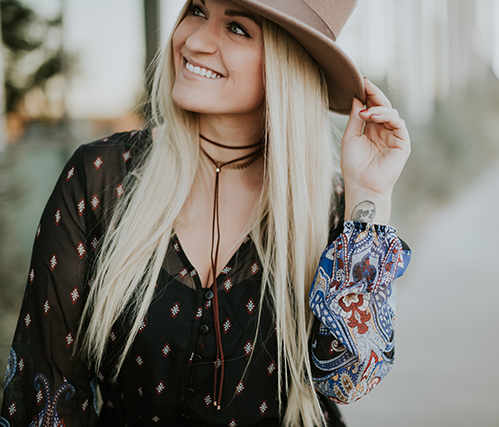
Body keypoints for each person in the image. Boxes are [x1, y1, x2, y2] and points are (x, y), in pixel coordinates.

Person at [1, 0, 412, 425]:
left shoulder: (329, 208)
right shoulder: (102, 179)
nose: (194, 40)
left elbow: (348, 378)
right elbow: (45, 394)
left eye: (236, 28)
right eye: (197, 9)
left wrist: (369, 197)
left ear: (289, 63)